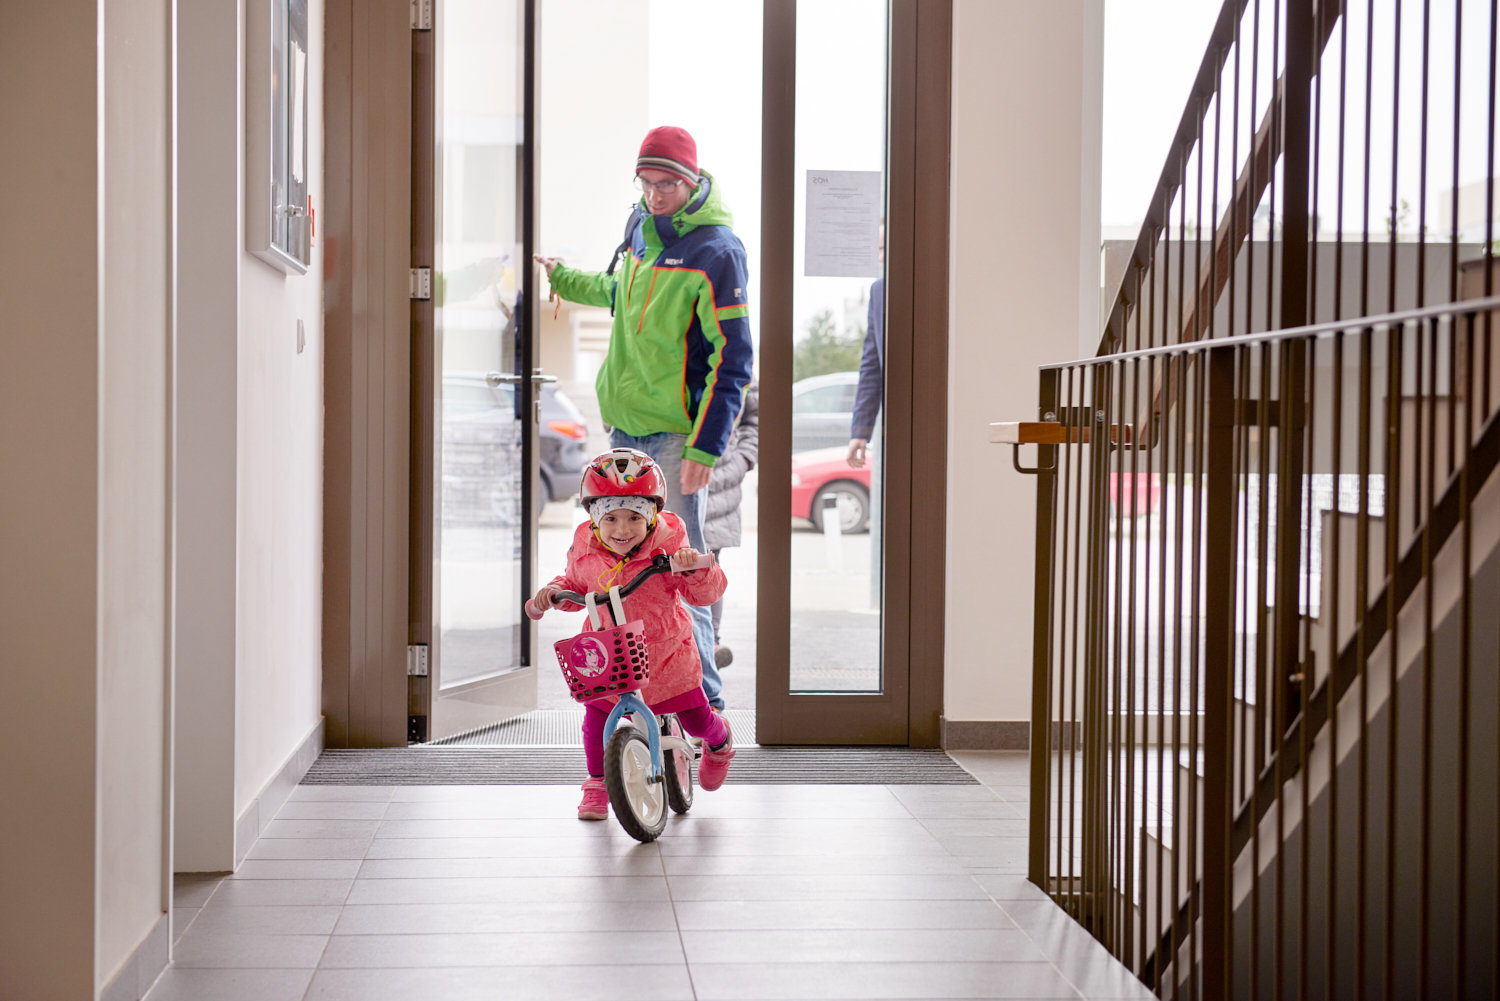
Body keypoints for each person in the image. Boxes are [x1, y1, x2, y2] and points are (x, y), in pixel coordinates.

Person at [535, 126, 752, 713]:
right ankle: (640, 696)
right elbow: (619, 292)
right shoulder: (638, 228)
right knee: (621, 567)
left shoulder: (718, 251)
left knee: (681, 568)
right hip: (623, 427)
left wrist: (705, 450)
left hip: (677, 436)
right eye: (647, 184)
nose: (656, 196)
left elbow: (734, 360)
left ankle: (704, 706)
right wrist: (562, 278)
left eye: (668, 185)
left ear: (692, 182)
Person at [529, 449, 736, 820]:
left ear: (651, 517)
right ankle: (596, 783)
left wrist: (693, 569)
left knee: (695, 718)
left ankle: (719, 742)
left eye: (634, 518)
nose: (621, 530)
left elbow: (705, 594)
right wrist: (554, 593)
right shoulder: (585, 545)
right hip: (610, 654)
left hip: (666, 655)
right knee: (595, 717)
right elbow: (575, 584)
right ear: (594, 519)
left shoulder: (670, 542)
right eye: (610, 518)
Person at [703, 378, 758, 668]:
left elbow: (755, 416)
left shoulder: (732, 351)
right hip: (670, 473)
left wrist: (743, 459)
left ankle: (710, 645)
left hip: (719, 480)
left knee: (707, 565)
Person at [846, 275, 884, 469]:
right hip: (895, 419)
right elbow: (871, 366)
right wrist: (860, 431)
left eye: (882, 250)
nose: (880, 258)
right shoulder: (879, 290)